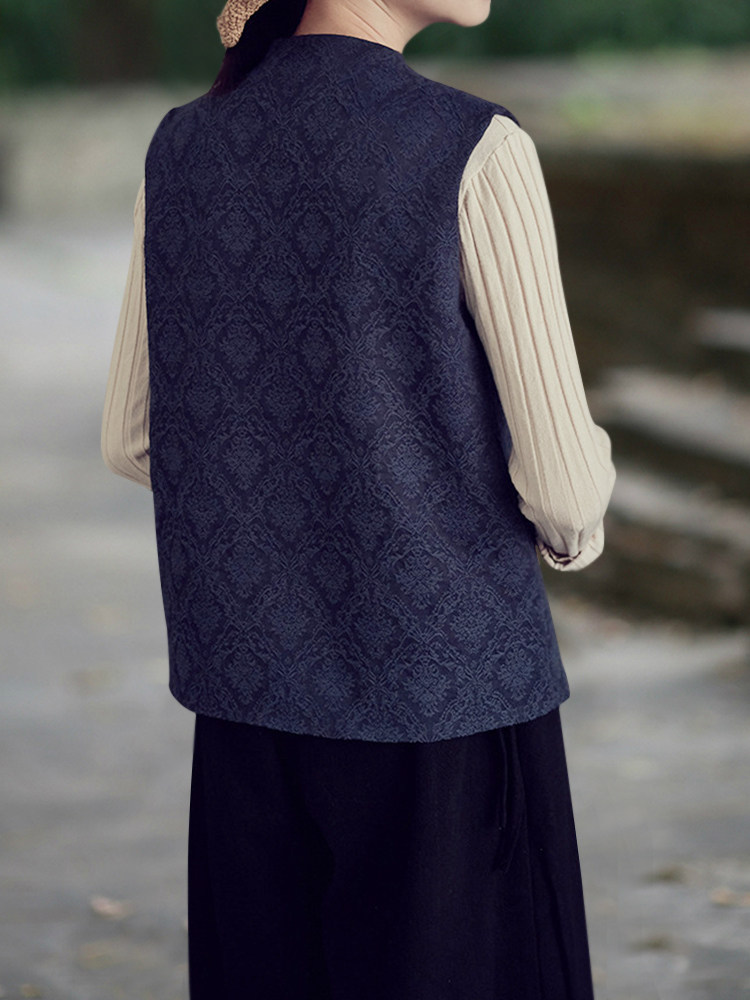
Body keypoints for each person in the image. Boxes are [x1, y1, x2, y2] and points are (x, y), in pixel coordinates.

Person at [101, 0, 617, 996]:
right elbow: (561, 485)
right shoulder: (475, 147)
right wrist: (569, 536)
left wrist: (272, 509)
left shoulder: (180, 148)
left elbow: (132, 438)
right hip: (447, 696)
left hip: (248, 698)